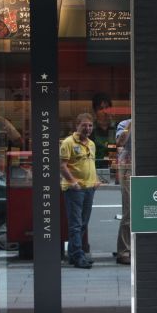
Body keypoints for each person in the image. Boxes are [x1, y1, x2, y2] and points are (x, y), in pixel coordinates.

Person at [60, 113, 100, 269]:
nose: (87, 128)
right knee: (76, 224)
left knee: (83, 223)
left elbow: (91, 164)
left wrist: (96, 180)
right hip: (75, 189)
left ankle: (73, 254)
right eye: (84, 125)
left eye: (90, 125)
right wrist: (72, 182)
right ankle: (78, 256)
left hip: (89, 188)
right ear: (77, 125)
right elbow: (62, 165)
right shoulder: (68, 143)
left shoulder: (91, 144)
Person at [115, 118, 132, 264]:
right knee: (129, 210)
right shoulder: (124, 124)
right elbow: (121, 142)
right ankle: (124, 251)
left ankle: (135, 248)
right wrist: (131, 124)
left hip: (145, 163)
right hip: (128, 166)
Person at [90, 92, 116, 169]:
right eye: (101, 108)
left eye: (107, 108)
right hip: (95, 170)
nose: (104, 111)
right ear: (95, 111)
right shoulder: (90, 130)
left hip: (114, 170)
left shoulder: (116, 127)